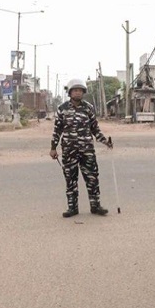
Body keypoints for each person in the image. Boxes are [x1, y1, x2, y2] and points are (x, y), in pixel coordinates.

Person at [49, 78, 113, 217]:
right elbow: (57, 130)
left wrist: (105, 141)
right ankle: (72, 208)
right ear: (70, 92)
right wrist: (53, 148)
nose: (78, 93)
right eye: (75, 90)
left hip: (87, 150)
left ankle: (95, 206)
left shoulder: (88, 108)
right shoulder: (62, 109)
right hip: (69, 151)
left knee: (92, 178)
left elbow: (95, 128)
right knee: (71, 180)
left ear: (83, 92)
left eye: (80, 90)